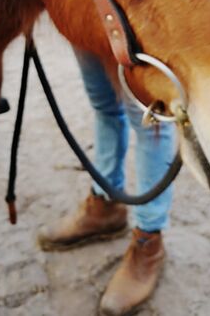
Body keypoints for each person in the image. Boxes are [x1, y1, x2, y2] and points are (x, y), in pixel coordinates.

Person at [38, 49, 176, 316]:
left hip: (132, 21)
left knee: (151, 123)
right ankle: (106, 204)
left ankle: (149, 240)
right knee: (104, 107)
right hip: (83, 19)